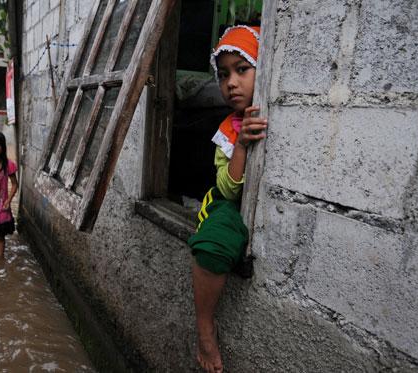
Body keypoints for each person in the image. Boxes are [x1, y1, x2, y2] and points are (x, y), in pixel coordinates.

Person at [187, 25, 267, 373]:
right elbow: (230, 189)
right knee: (212, 242)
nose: (231, 82)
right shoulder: (229, 130)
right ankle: (205, 330)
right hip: (223, 201)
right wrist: (242, 146)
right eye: (223, 75)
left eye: (242, 69)